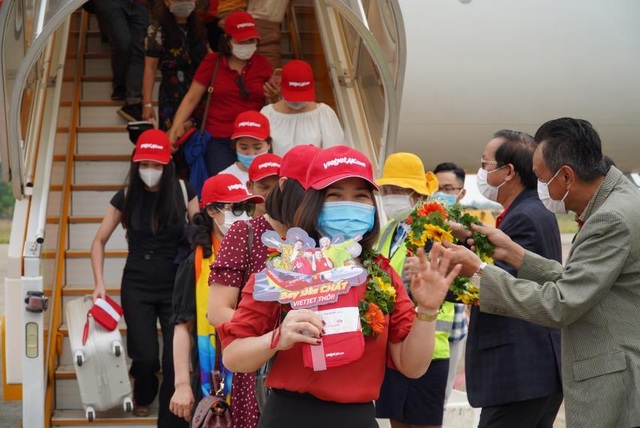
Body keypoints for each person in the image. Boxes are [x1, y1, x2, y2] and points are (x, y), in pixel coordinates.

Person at [217, 145, 460, 428]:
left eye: (360, 196)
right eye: (334, 195)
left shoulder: (381, 273)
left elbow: (412, 367)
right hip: (289, 416)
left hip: (357, 418)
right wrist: (278, 337)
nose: (349, 204)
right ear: (314, 204)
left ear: (372, 206)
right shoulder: (285, 267)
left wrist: (427, 310)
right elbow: (234, 356)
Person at [441, 118, 640, 428]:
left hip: (612, 379)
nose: (539, 187)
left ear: (566, 176)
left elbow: (562, 303)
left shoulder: (610, 218)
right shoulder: (620, 199)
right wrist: (515, 253)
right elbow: (580, 280)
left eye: (540, 178)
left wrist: (479, 271)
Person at [90, 129, 199, 426]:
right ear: (135, 164)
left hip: (176, 284)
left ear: (167, 165)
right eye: (144, 164)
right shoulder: (125, 196)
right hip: (136, 284)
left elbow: (201, 233)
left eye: (156, 165)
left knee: (173, 360)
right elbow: (98, 241)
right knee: (146, 355)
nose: (150, 171)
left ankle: (171, 417)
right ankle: (144, 392)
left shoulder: (183, 190)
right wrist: (99, 284)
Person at [207, 144, 321, 428]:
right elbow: (217, 311)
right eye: (308, 193)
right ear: (286, 187)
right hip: (258, 365)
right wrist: (273, 334)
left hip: (311, 365)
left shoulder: (320, 236)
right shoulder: (245, 232)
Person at [461, 130, 564, 427]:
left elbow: (501, 285)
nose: (481, 171)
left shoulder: (524, 216)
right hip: (534, 368)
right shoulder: (531, 209)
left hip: (519, 368)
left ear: (508, 172)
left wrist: (453, 270)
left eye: (485, 163)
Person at [169, 173, 264, 422]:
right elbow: (182, 326)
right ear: (212, 210)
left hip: (258, 372)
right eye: (235, 208)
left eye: (247, 207)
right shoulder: (196, 262)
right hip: (212, 376)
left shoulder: (263, 253)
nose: (243, 214)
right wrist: (181, 385)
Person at [374, 153, 453, 428]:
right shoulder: (388, 230)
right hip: (394, 342)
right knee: (397, 421)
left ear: (417, 194)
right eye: (386, 190)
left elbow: (453, 284)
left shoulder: (436, 232)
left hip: (428, 346)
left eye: (397, 190)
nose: (389, 196)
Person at [168, 11, 276, 176]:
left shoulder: (264, 65)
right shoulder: (212, 63)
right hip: (218, 139)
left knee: (258, 185)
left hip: (254, 139)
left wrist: (274, 97)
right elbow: (191, 98)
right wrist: (176, 126)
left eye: (251, 40)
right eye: (241, 40)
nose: (247, 44)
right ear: (227, 40)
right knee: (224, 186)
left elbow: (271, 105)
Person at [142, 0, 208, 132]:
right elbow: (150, 69)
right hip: (171, 92)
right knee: (171, 135)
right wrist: (147, 103)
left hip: (199, 89)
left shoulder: (199, 25)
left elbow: (207, 54)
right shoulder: (157, 29)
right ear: (167, 2)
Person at [432, 162, 468, 402]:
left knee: (440, 399)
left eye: (447, 188)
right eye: (435, 187)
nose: (440, 194)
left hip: (452, 325)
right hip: (419, 325)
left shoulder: (469, 231)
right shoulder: (421, 225)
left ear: (461, 193)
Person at [261, 60, 345, 156]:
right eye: (293, 96)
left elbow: (334, 155)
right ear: (282, 86)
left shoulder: (324, 114)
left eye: (302, 96)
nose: (297, 102)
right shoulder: (267, 114)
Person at [94, 0, 150, 122]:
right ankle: (119, 85)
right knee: (123, 42)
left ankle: (133, 101)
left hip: (140, 3)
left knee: (139, 49)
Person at [220, 110, 273, 187]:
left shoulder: (280, 174)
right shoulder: (224, 179)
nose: (251, 153)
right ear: (235, 146)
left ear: (269, 144)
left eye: (257, 147)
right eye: (244, 148)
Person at [246, 152, 281, 216]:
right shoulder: (237, 223)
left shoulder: (299, 222)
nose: (271, 194)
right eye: (264, 187)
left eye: (278, 188)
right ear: (249, 186)